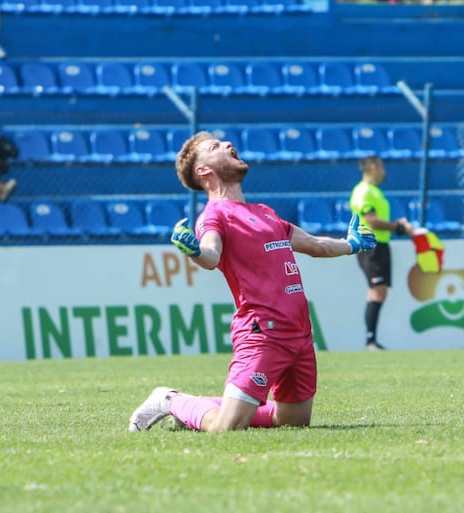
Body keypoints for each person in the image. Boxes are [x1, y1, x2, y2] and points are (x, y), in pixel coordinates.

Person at [128, 130, 377, 433]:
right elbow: (211, 255)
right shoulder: (214, 215)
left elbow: (314, 244)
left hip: (299, 333)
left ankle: (210, 405)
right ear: (203, 170)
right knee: (226, 428)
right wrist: (194, 251)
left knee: (292, 421)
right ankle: (170, 400)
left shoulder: (264, 213)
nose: (228, 144)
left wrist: (350, 243)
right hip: (263, 333)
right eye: (215, 146)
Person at [350, 156, 414, 351]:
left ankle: (371, 340)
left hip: (381, 244)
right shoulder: (363, 192)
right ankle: (370, 341)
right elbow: (372, 221)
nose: (384, 171)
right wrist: (399, 227)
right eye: (382, 167)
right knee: (377, 289)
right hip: (370, 246)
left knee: (379, 291)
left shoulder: (375, 192)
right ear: (373, 167)